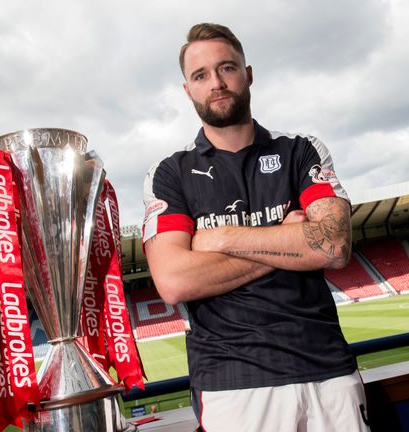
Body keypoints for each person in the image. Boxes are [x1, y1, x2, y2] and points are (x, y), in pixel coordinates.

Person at [142, 23, 370, 432]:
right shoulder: (169, 174)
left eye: (227, 68)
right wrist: (288, 240)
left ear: (248, 74)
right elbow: (175, 281)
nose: (216, 82)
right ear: (188, 90)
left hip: (328, 372)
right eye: (201, 75)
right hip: (234, 386)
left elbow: (333, 245)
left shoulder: (301, 150)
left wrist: (220, 238)